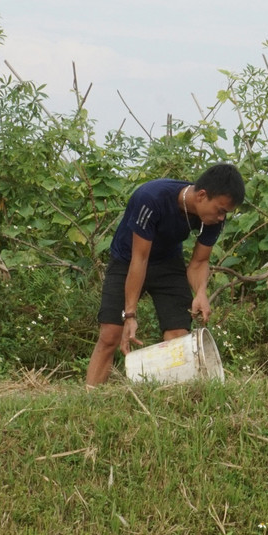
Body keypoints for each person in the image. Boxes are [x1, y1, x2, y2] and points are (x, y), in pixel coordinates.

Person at [84, 164, 245, 386]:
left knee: (179, 336)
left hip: (167, 262)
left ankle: (171, 401)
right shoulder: (151, 198)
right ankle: (90, 397)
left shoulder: (213, 218)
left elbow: (199, 262)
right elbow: (139, 259)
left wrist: (200, 293)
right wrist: (129, 315)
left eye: (225, 213)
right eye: (220, 210)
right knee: (111, 334)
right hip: (128, 259)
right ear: (201, 195)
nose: (221, 218)